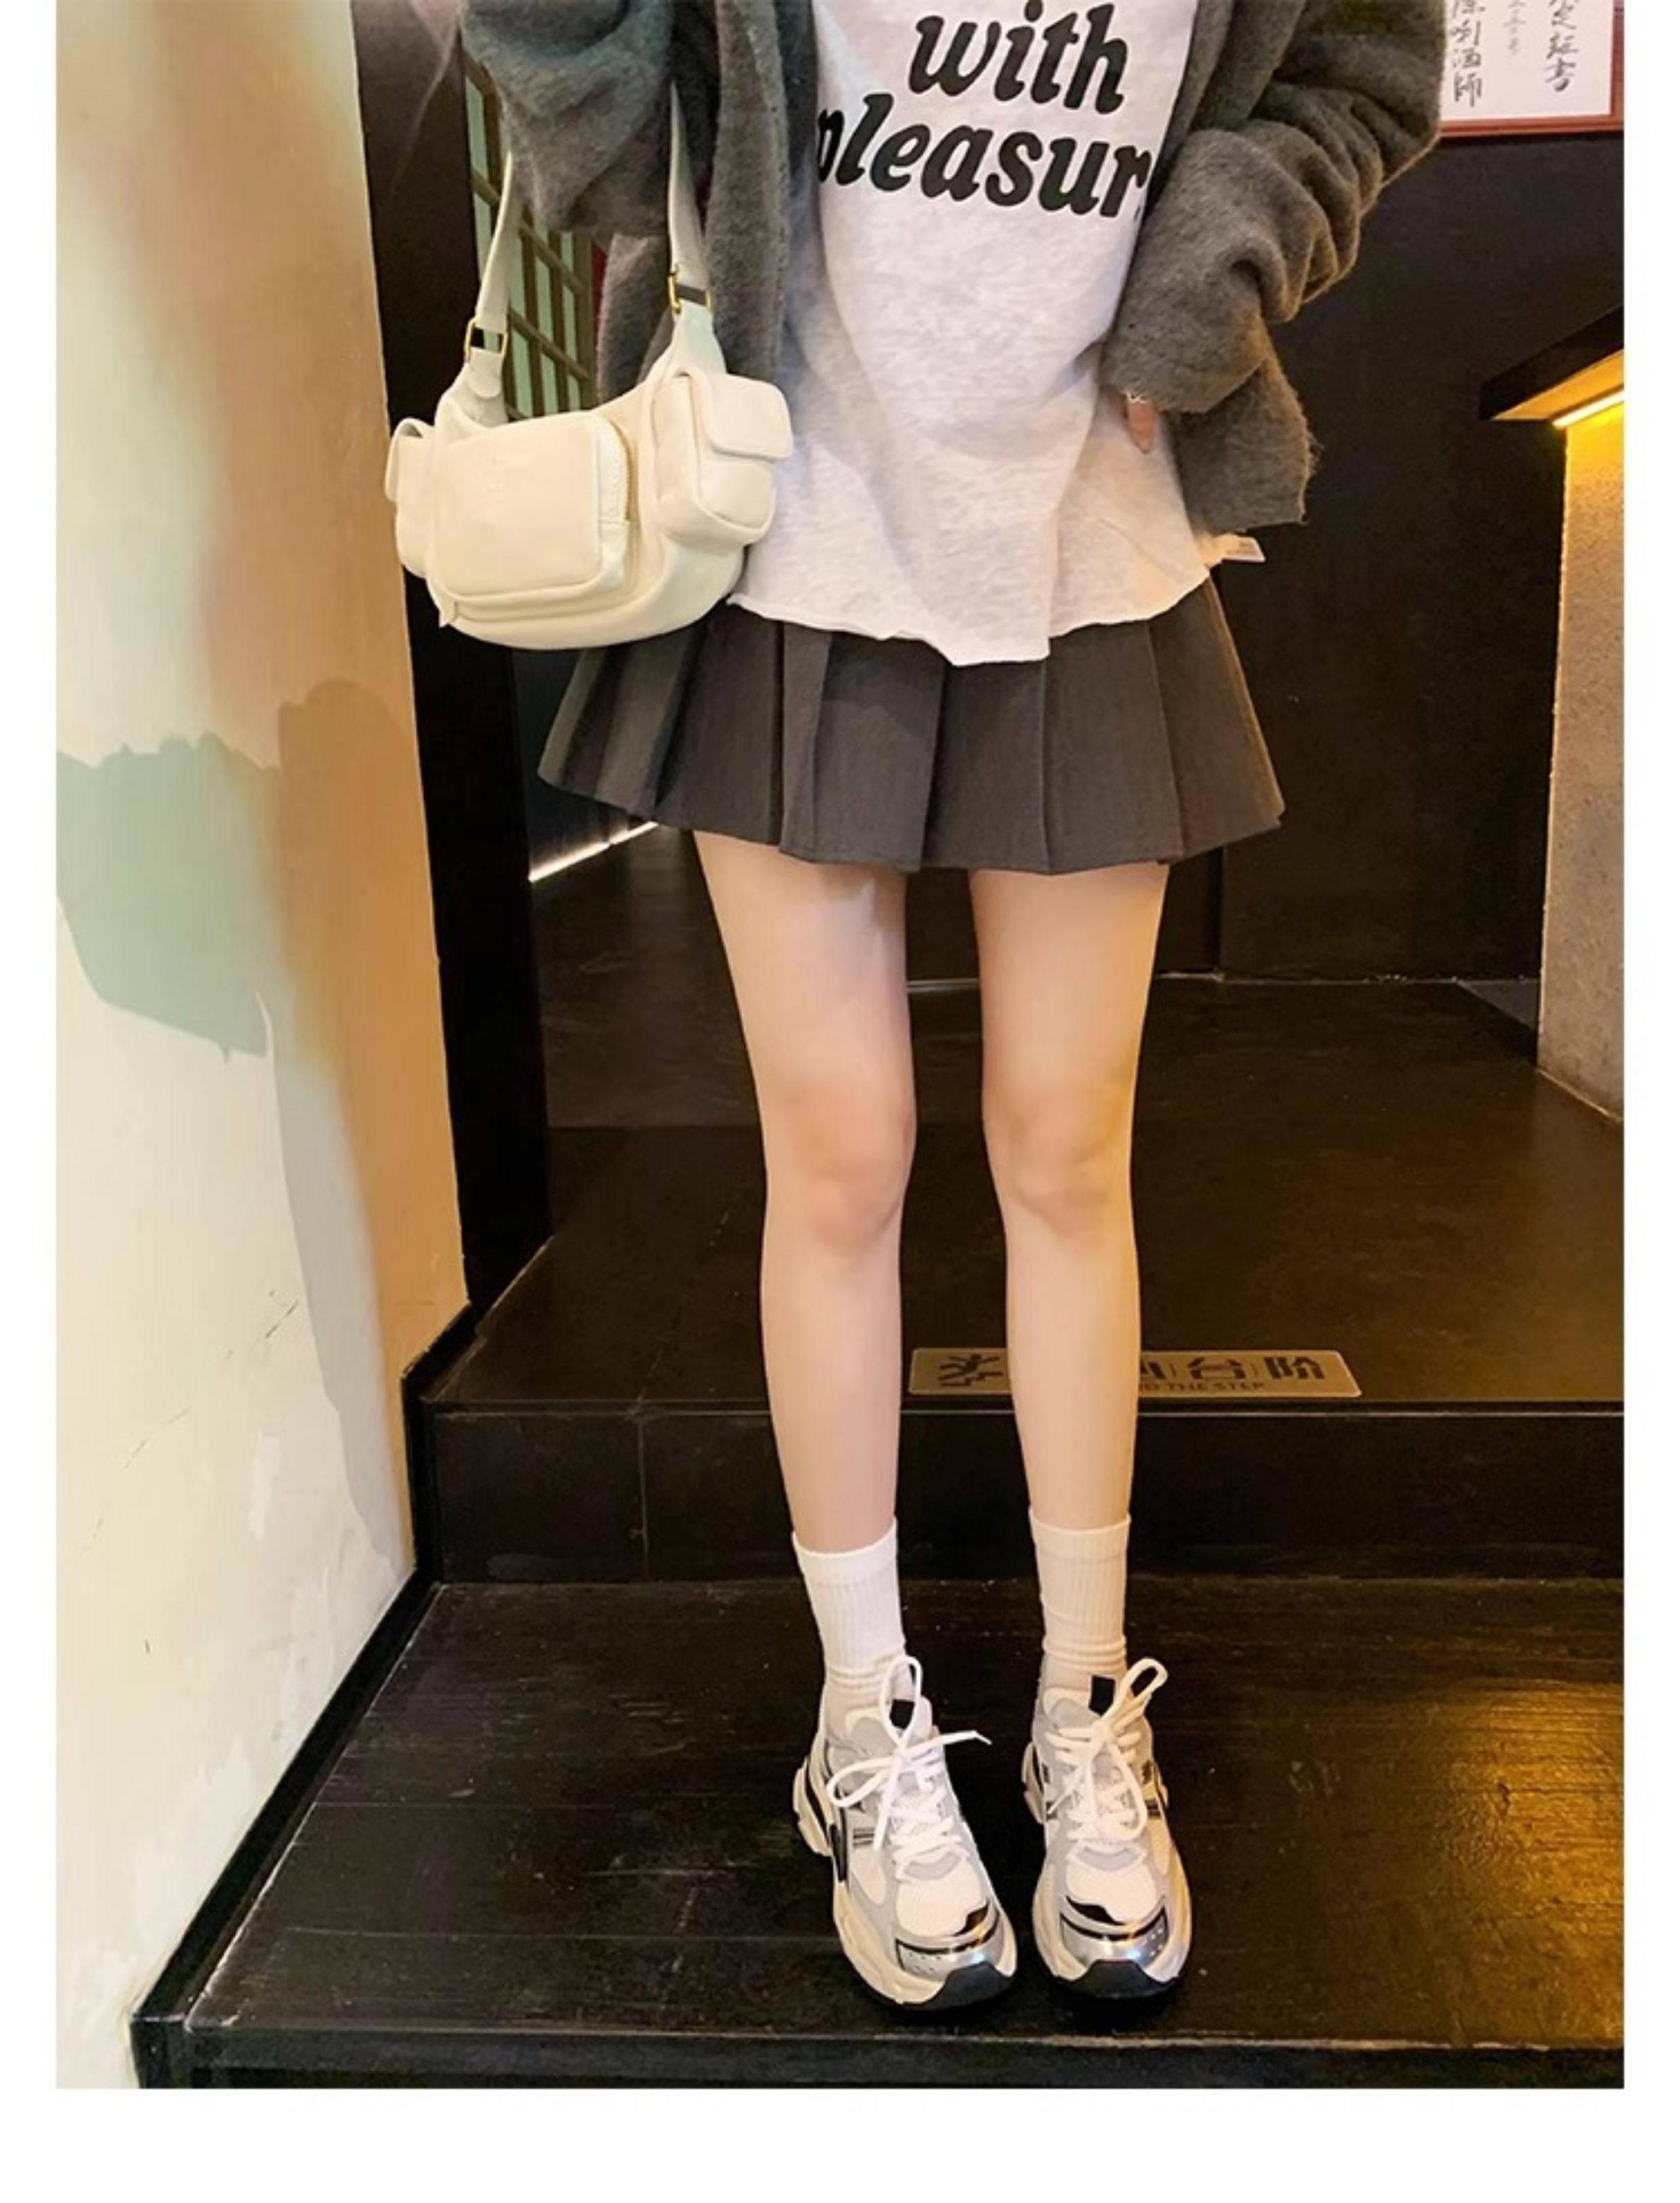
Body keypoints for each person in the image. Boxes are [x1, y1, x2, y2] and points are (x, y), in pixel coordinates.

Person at [461, 0, 1445, 2009]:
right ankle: (863, 1721)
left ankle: (1088, 1706)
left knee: (1068, 1155)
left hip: (1096, 526)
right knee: (840, 1161)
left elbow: (1365, 63)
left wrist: (1212, 270)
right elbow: (591, 123)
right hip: (786, 517)